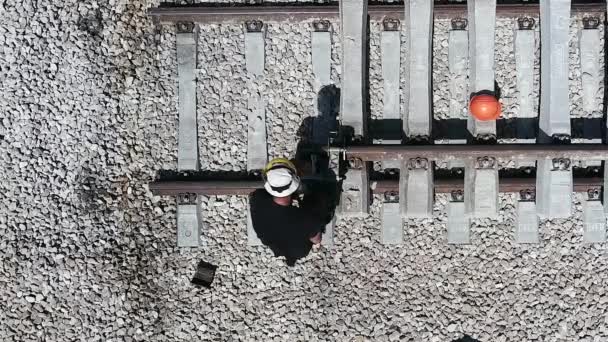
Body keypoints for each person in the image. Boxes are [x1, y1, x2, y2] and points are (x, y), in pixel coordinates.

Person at [249, 158, 327, 266]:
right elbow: (316, 239)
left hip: (275, 244)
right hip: (300, 250)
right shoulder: (307, 218)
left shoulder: (258, 200)